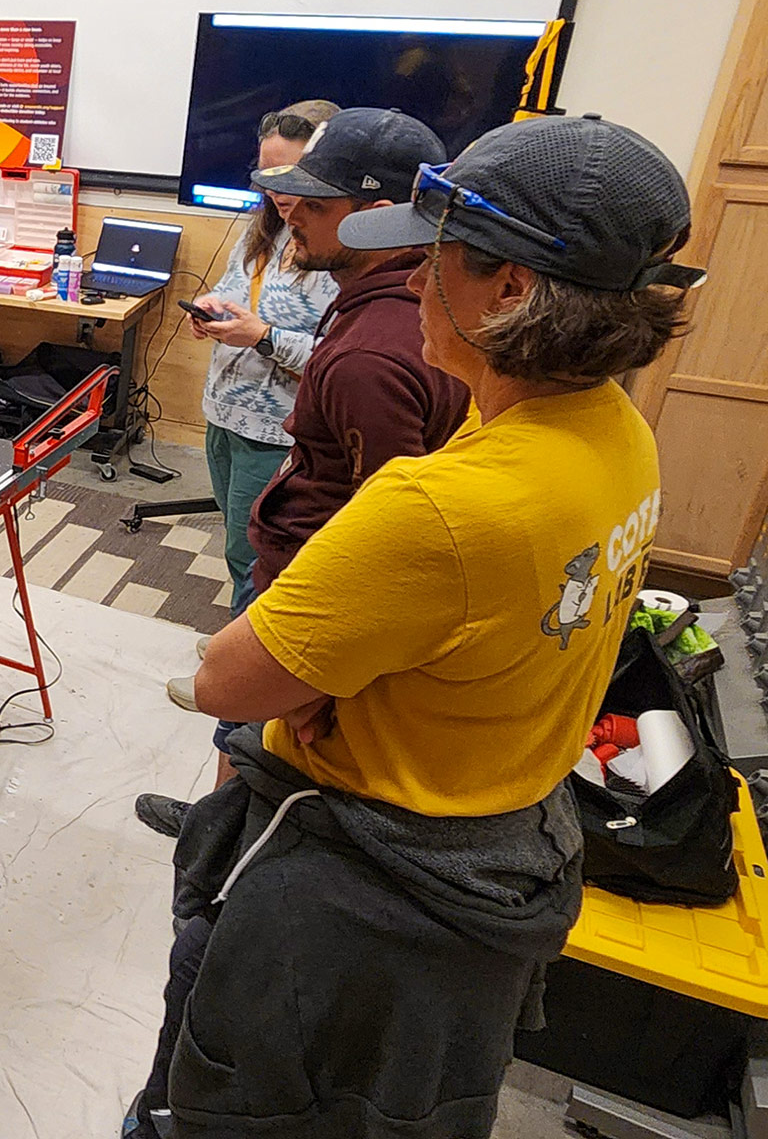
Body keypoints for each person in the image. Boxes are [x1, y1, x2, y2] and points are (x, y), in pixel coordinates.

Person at [126, 114, 699, 1139]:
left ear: (512, 291)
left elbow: (228, 684)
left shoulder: (439, 507)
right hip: (504, 853)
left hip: (364, 891)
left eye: (435, 253)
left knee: (225, 1108)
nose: (413, 277)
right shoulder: (621, 435)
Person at [136, 107, 469, 838]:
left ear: (378, 218)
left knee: (259, 737)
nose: (294, 218)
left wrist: (312, 671)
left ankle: (221, 834)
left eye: (314, 206)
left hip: (317, 596)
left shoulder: (369, 354)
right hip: (300, 578)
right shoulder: (406, 304)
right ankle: (223, 816)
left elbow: (382, 529)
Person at [189, 100, 341, 608]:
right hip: (226, 415)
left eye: (289, 173)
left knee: (262, 554)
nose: (275, 189)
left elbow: (342, 359)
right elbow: (235, 288)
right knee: (237, 545)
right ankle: (241, 642)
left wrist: (262, 337)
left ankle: (242, 675)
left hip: (278, 432)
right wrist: (212, 307)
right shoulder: (266, 228)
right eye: (266, 173)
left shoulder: (339, 251)